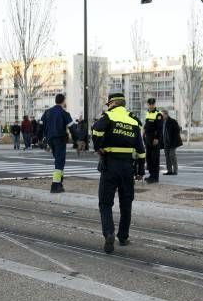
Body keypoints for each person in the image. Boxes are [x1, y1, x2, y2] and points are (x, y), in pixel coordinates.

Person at [92, 92, 146, 254]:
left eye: (109, 104)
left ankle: (109, 233)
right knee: (126, 202)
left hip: (110, 164)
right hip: (127, 167)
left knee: (105, 203)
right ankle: (123, 237)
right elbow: (141, 150)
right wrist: (140, 170)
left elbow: (96, 131)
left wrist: (98, 147)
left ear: (112, 104)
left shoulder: (108, 116)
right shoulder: (133, 120)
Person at [44, 93, 80, 193]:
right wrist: (77, 140)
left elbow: (42, 126)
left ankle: (59, 183)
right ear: (63, 101)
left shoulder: (48, 112)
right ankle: (55, 185)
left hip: (50, 140)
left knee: (58, 161)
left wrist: (44, 139)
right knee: (59, 163)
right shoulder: (64, 113)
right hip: (60, 139)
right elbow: (72, 128)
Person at [143, 97, 163, 183]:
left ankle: (155, 177)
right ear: (147, 104)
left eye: (152, 104)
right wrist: (144, 130)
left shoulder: (158, 114)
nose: (151, 106)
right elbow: (147, 125)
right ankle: (151, 175)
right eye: (149, 104)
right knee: (149, 158)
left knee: (155, 158)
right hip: (148, 138)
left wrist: (157, 138)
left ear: (154, 104)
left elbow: (159, 128)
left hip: (154, 139)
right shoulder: (147, 113)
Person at [161, 110, 183, 175]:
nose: (162, 116)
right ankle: (169, 171)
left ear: (166, 114)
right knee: (167, 156)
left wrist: (174, 139)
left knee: (172, 156)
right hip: (165, 142)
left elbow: (178, 130)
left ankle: (175, 171)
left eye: (163, 115)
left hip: (172, 142)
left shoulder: (172, 121)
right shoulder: (162, 122)